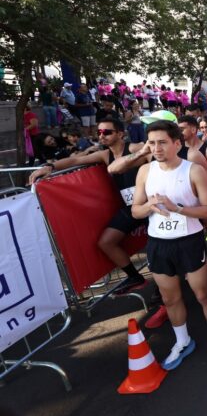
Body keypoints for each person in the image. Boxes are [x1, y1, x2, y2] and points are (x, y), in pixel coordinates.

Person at [131, 120, 207, 371]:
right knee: (169, 299)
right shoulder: (145, 171)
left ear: (177, 143)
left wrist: (177, 209)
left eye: (162, 142)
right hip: (159, 244)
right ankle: (183, 341)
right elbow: (135, 211)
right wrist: (149, 206)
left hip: (189, 242)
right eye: (152, 143)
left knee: (203, 295)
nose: (156, 148)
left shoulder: (192, 170)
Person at [28, 117, 149, 293]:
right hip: (130, 209)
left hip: (150, 205)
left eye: (107, 132)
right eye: (99, 132)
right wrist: (49, 166)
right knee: (106, 242)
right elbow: (75, 161)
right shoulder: (104, 155)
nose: (102, 136)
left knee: (157, 249)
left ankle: (166, 290)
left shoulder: (135, 148)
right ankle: (134, 277)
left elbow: (153, 149)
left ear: (120, 134)